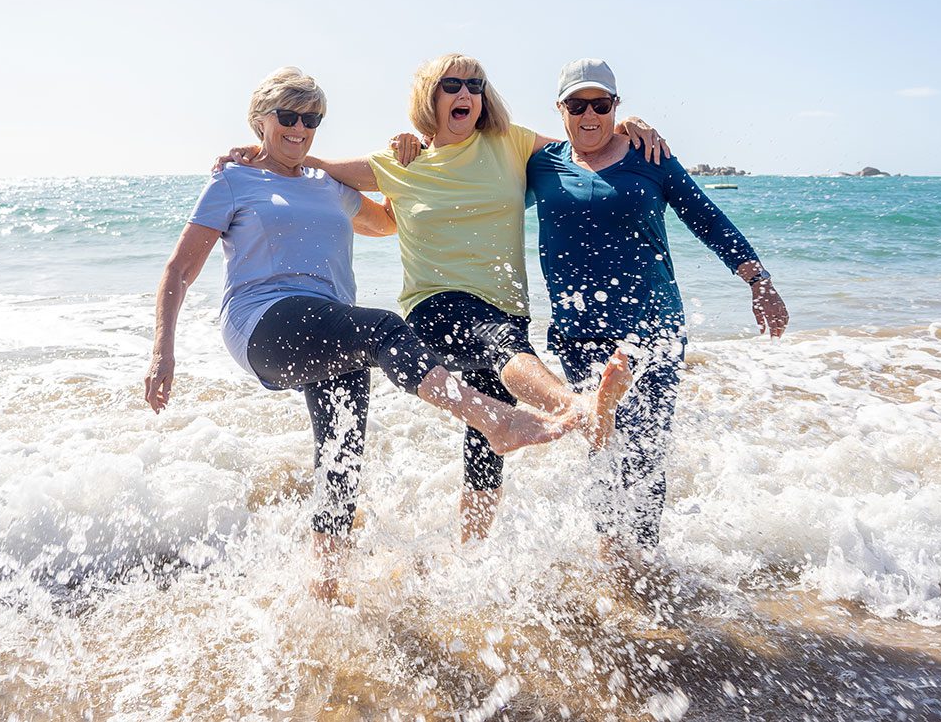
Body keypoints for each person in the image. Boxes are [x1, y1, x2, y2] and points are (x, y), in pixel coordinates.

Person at [148, 67, 629, 602]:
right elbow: (179, 270)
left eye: (311, 119)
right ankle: (498, 420)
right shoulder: (233, 179)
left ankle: (323, 584)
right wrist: (162, 352)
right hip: (262, 320)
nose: (300, 128)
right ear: (260, 120)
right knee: (383, 329)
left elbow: (388, 221)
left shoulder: (326, 184)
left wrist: (413, 155)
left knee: (341, 451)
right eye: (288, 117)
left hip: (331, 328)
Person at [243, 55, 668, 542]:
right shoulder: (400, 162)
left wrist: (625, 126)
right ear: (431, 96)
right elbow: (310, 163)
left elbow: (587, 147)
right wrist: (260, 149)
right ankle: (578, 408)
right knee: (501, 346)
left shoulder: (512, 143)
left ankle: (472, 550)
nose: (465, 93)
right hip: (436, 306)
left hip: (505, 305)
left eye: (475, 85)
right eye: (452, 85)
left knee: (488, 440)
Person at [526, 58, 790, 571]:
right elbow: (475, 172)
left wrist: (759, 281)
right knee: (603, 444)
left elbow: (705, 217)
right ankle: (613, 563)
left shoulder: (651, 157)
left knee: (645, 447)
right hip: (580, 331)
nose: (589, 115)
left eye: (601, 105)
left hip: (651, 323)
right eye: (577, 105)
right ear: (560, 110)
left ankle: (643, 562)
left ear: (615, 106)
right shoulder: (541, 164)